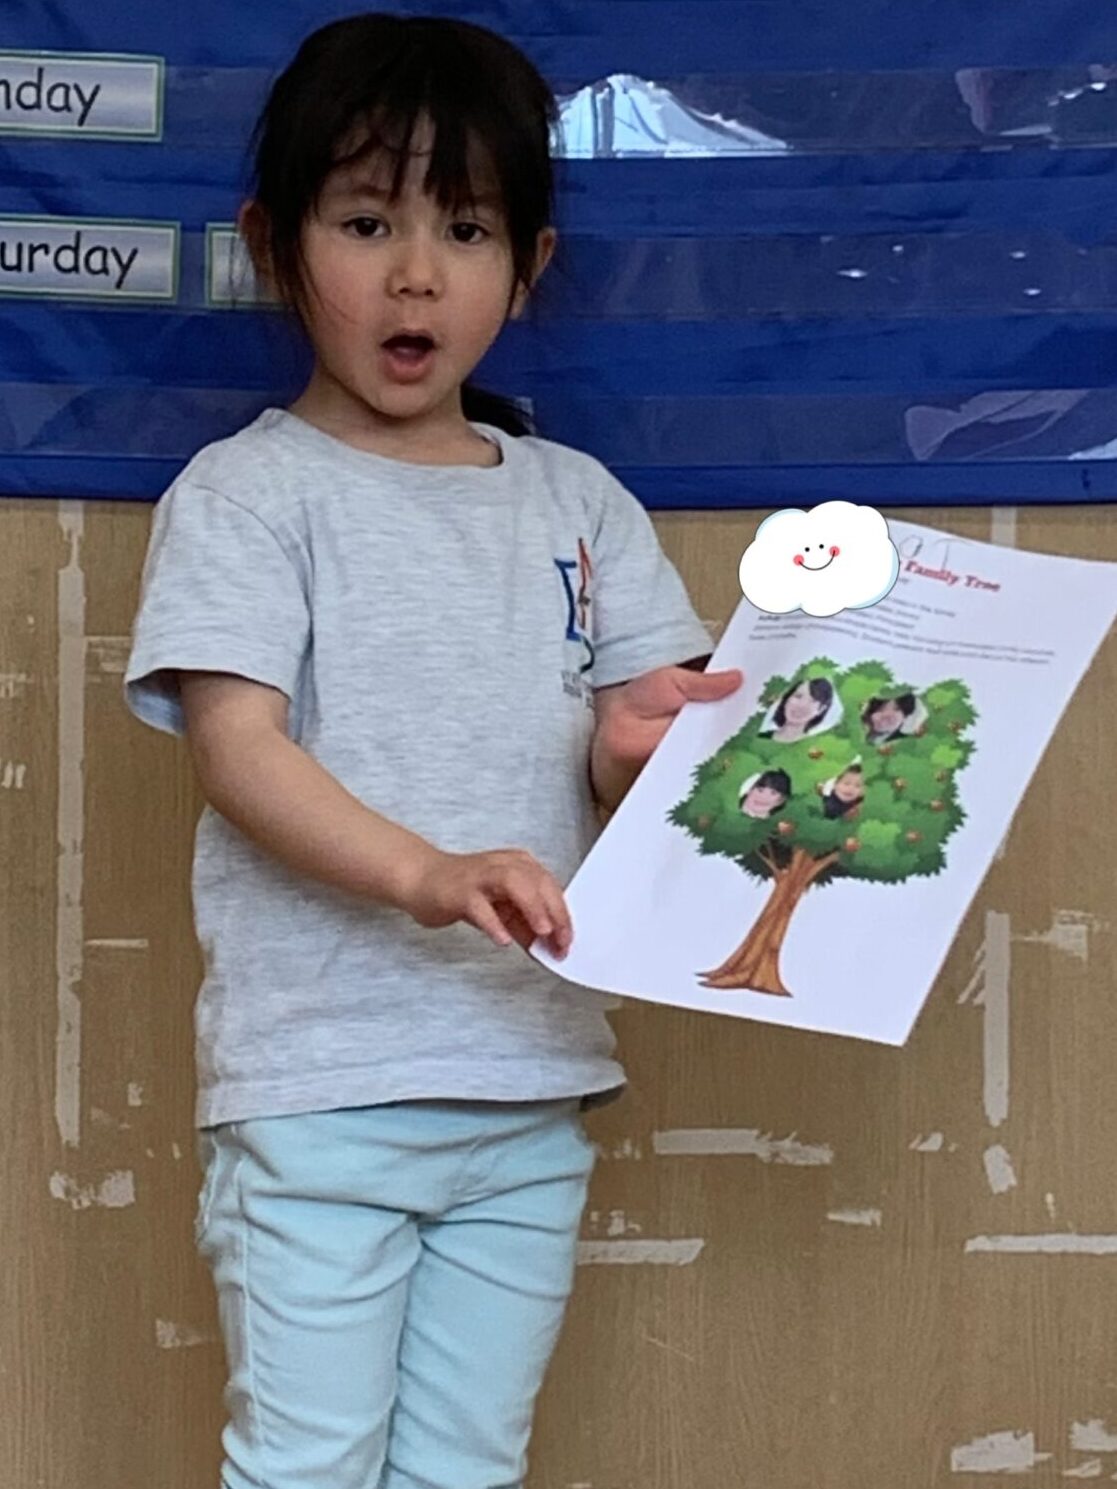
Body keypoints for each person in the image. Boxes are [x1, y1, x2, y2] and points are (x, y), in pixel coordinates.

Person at [122, 14, 741, 1489]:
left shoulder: (580, 500)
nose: (416, 272)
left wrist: (637, 753)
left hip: (531, 1079)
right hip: (319, 1091)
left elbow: (635, 756)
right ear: (275, 246)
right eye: (365, 222)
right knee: (308, 1466)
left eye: (465, 229)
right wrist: (425, 872)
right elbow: (238, 749)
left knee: (468, 1469)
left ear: (525, 267)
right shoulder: (246, 495)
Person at [760, 676, 834, 743]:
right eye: (798, 696)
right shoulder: (761, 736)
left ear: (821, 709)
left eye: (813, 701)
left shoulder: (815, 746)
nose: (802, 705)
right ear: (787, 699)